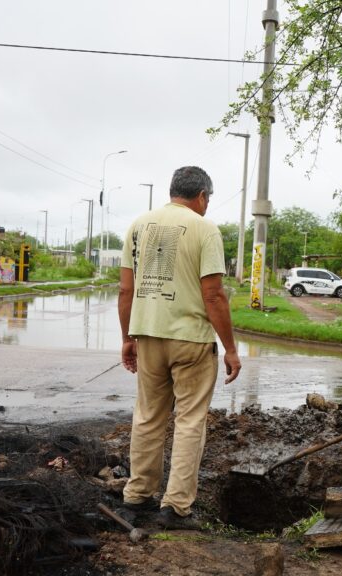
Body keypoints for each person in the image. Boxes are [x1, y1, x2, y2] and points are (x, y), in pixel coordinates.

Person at [119, 166, 242, 529]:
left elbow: (126, 289)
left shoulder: (139, 226)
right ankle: (175, 508)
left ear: (173, 191)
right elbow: (214, 294)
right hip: (191, 340)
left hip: (148, 336)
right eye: (208, 199)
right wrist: (231, 349)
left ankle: (138, 496)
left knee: (148, 416)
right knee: (189, 421)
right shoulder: (206, 230)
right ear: (202, 196)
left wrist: (128, 337)